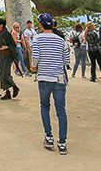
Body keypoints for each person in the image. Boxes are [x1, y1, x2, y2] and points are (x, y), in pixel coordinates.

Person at [30, 13, 70, 155]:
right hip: (59, 78)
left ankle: (49, 137)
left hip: (44, 77)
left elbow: (35, 58)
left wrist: (34, 67)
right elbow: (66, 60)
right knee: (61, 110)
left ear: (40, 25)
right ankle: (63, 142)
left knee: (45, 106)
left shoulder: (37, 39)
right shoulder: (61, 40)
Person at [0, 18, 20, 100]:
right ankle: (7, 92)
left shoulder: (7, 34)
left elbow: (13, 45)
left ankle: (14, 86)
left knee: (4, 74)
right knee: (2, 74)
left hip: (8, 56)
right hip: (1, 57)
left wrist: (7, 47)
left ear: (1, 25)